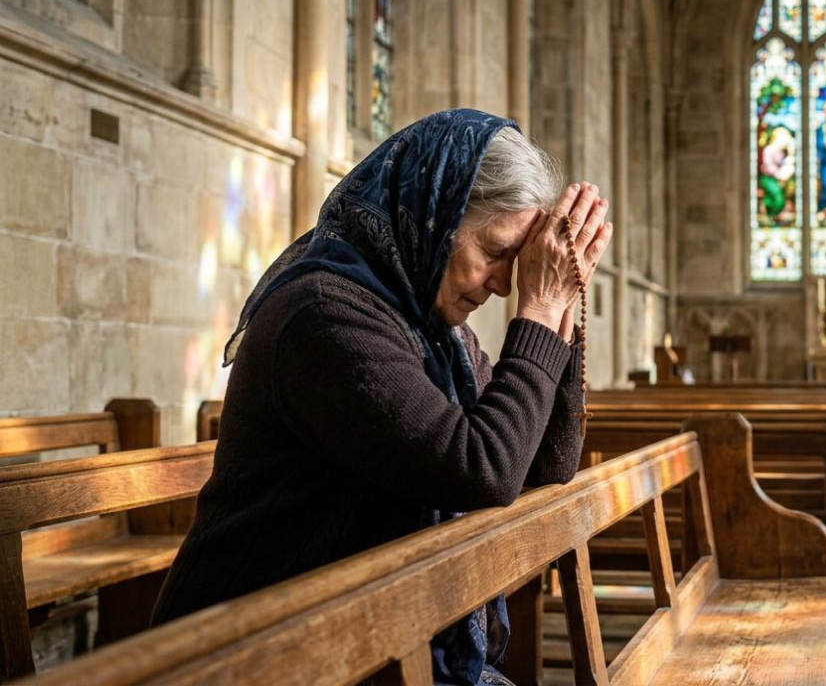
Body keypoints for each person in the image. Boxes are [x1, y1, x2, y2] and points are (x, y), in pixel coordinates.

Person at [151, 109, 613, 686]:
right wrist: (540, 310)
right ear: (438, 215)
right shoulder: (322, 314)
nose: (503, 285)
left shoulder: (435, 333)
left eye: (517, 264)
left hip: (362, 640)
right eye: (496, 253)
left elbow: (545, 463)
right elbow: (483, 469)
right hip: (248, 656)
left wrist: (564, 301)